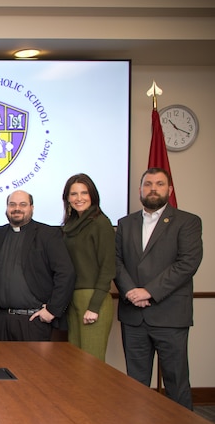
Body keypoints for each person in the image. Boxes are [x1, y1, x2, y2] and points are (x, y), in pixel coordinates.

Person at [115, 168, 202, 409]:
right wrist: (132, 291)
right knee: (136, 383)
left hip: (170, 315)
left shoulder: (188, 221)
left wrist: (149, 292)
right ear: (140, 190)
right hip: (134, 316)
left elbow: (187, 264)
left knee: (176, 382)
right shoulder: (125, 223)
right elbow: (117, 262)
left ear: (169, 190)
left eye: (160, 184)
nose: (153, 188)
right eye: (148, 184)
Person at [0, 190, 75, 341]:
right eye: (12, 204)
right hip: (2, 319)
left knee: (32, 365)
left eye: (22, 204)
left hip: (34, 320)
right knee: (3, 364)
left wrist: (52, 310)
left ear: (32, 208)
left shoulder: (47, 234)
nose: (17, 208)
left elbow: (66, 273)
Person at [61, 174, 116, 361]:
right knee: (75, 362)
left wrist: (94, 306)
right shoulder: (71, 224)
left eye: (84, 192)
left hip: (93, 299)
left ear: (92, 194)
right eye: (73, 194)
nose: (79, 198)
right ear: (67, 198)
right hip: (73, 298)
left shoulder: (101, 223)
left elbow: (108, 266)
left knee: (92, 365)